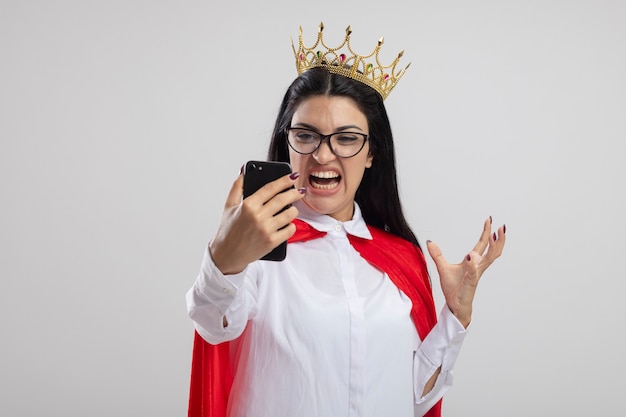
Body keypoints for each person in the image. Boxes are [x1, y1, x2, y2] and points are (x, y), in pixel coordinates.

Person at [186, 23, 506, 417]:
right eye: (306, 135)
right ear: (287, 140)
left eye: (347, 138)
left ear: (372, 152)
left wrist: (454, 318)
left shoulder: (400, 258)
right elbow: (213, 323)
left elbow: (414, 399)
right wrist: (224, 258)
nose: (323, 155)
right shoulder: (257, 249)